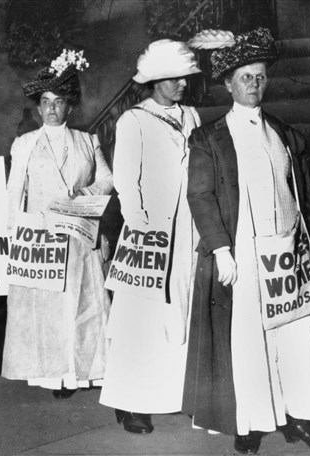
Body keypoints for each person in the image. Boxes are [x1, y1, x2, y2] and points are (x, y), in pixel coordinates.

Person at [182, 27, 310, 454]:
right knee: (250, 341)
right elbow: (200, 197)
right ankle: (251, 422)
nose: (254, 85)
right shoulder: (209, 138)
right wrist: (221, 249)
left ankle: (303, 420)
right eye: (245, 78)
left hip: (288, 255)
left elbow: (303, 193)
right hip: (245, 256)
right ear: (228, 83)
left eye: (259, 77)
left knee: (297, 340)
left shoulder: (283, 133)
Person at [99, 40, 201, 432]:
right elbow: (126, 180)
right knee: (139, 316)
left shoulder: (191, 115)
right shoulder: (134, 120)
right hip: (148, 233)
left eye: (184, 77)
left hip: (189, 228)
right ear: (153, 81)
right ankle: (130, 401)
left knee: (182, 309)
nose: (181, 84)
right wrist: (143, 227)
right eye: (172, 78)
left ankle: (175, 392)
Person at [2, 49, 113, 399]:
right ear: (38, 108)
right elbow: (13, 192)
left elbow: (109, 180)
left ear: (70, 106)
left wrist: (86, 191)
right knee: (47, 311)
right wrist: (11, 235)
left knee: (81, 307)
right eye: (46, 102)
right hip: (41, 240)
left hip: (80, 236)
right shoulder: (24, 144)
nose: (52, 108)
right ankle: (55, 375)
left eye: (59, 101)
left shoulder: (87, 140)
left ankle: (80, 371)